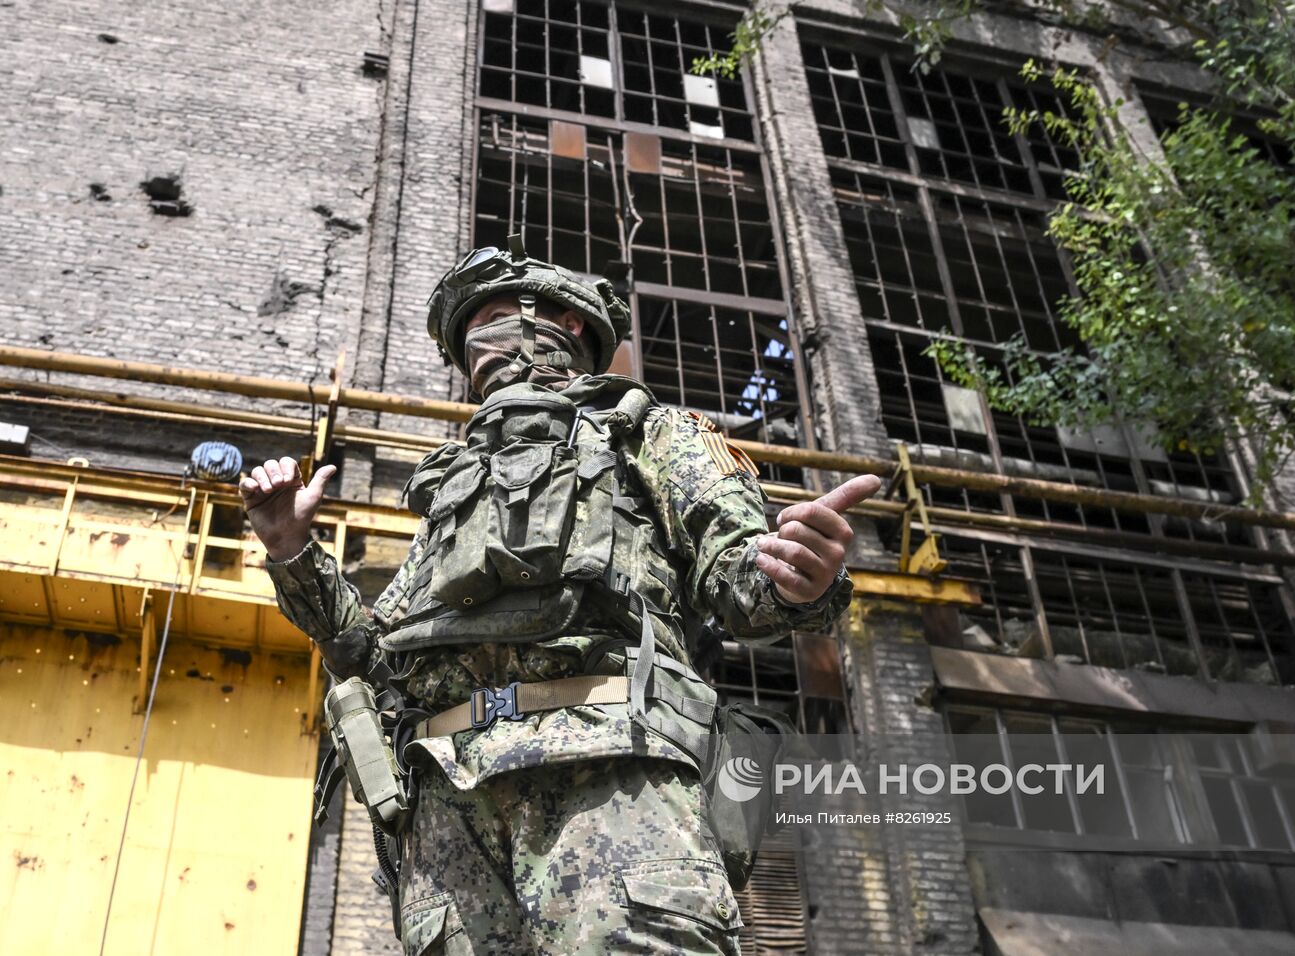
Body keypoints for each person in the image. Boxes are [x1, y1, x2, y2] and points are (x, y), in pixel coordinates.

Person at [239, 238, 880, 955]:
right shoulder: (452, 486)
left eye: (487, 315)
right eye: (464, 332)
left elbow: (743, 586)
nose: (475, 343)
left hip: (610, 772)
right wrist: (293, 551)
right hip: (449, 804)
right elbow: (372, 655)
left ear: (565, 325)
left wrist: (802, 576)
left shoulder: (649, 434)